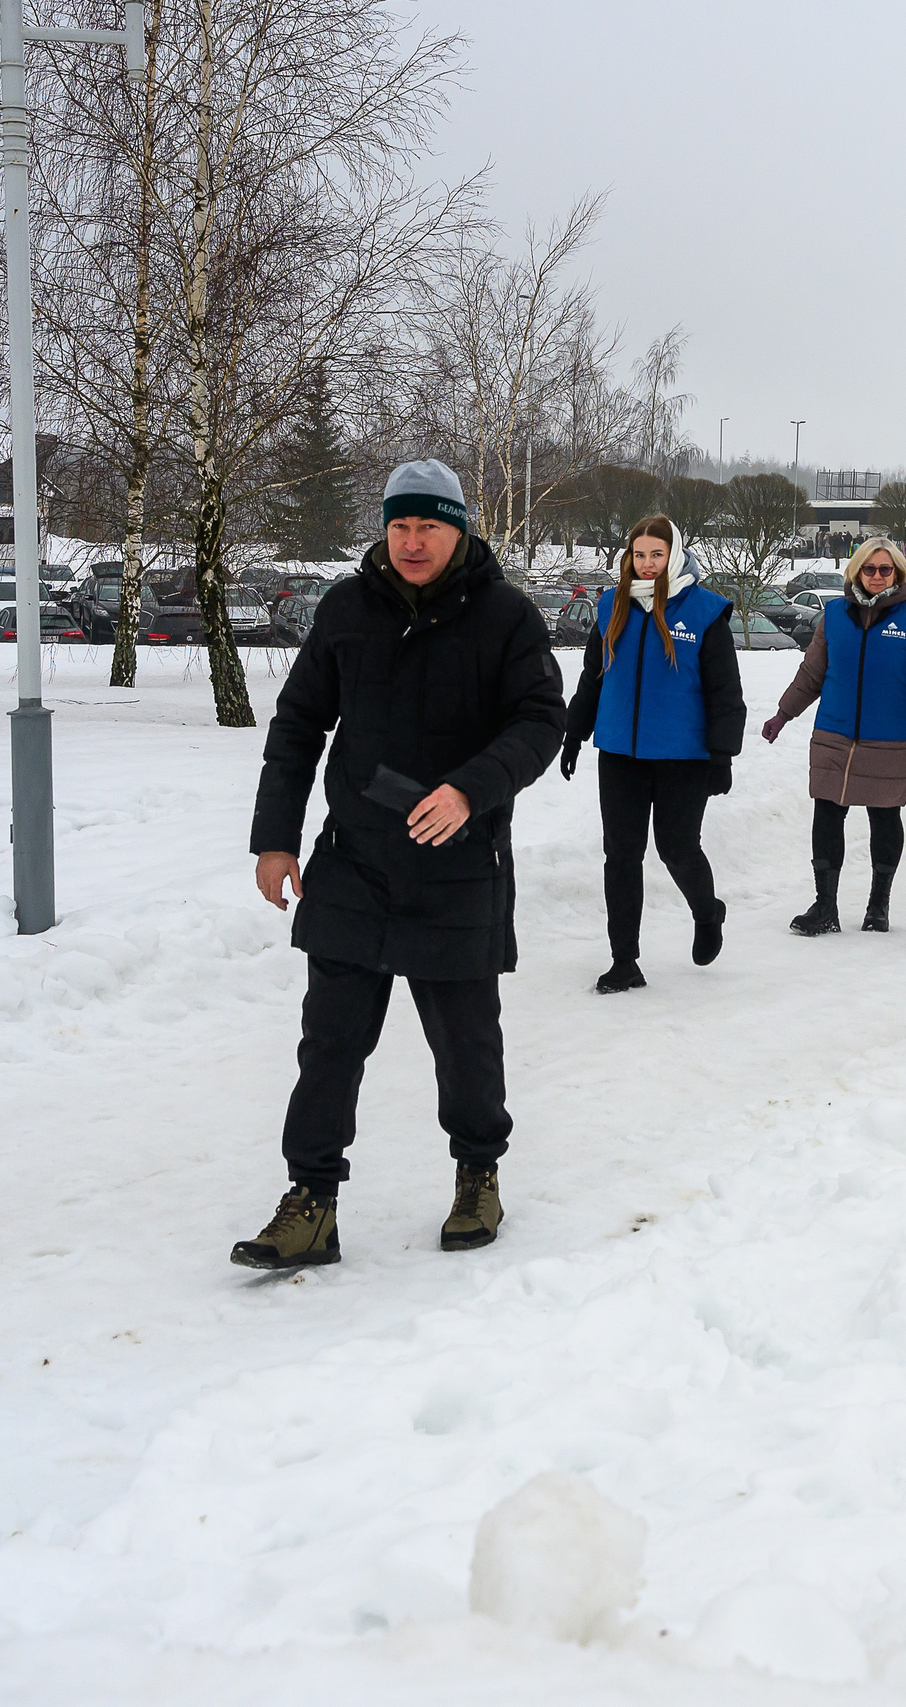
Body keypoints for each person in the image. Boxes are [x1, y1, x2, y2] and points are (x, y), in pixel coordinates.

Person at [239, 459, 565, 1268]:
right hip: (356, 862)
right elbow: (299, 722)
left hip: (457, 863)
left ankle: (477, 1173)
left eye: (429, 526)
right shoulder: (348, 609)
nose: (413, 541)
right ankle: (312, 1201)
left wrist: (469, 789)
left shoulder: (506, 617)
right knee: (330, 1042)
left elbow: (539, 721)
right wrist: (276, 835)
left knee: (464, 1044)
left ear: (460, 530)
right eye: (400, 525)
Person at [559, 514, 743, 995]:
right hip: (619, 752)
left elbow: (725, 691)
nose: (646, 564)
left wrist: (722, 754)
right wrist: (574, 734)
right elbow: (593, 677)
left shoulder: (705, 611)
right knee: (620, 855)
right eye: (639, 555)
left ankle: (708, 912)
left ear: (674, 555)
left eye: (656, 555)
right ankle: (625, 960)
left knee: (676, 848)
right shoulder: (610, 605)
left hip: (684, 756)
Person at [764, 535, 906, 935]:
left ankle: (878, 906)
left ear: (898, 573)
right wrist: (782, 714)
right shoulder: (835, 616)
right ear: (857, 570)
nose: (877, 576)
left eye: (885, 569)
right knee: (826, 813)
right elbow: (812, 674)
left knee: (885, 816)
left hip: (889, 737)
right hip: (834, 732)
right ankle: (825, 907)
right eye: (870, 568)